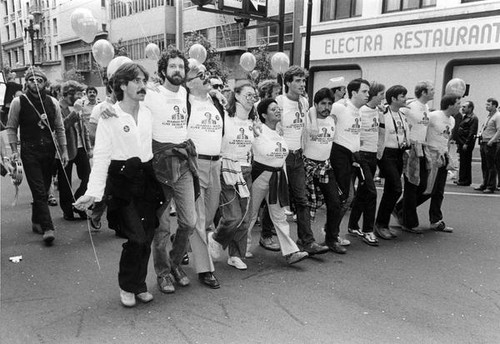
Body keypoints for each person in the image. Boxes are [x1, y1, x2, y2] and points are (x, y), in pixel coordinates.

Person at [74, 62, 160, 307]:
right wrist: (93, 193)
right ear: (123, 85)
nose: (143, 86)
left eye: (144, 80)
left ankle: (139, 284)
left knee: (148, 234)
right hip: (122, 181)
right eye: (137, 81)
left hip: (147, 177)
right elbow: (101, 157)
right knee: (136, 237)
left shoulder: (147, 111)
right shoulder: (110, 116)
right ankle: (126, 285)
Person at [146, 48, 198, 293]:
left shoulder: (185, 92)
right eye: (173, 66)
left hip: (184, 161)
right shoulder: (151, 93)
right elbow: (125, 103)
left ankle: (175, 263)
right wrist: (108, 108)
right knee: (162, 227)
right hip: (160, 165)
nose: (177, 70)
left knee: (189, 221)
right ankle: (163, 273)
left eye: (181, 66)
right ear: (163, 70)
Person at [5, 67, 68, 244]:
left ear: (44, 83)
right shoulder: (19, 102)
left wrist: (63, 150)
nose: (36, 83)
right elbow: (11, 128)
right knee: (40, 190)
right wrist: (14, 152)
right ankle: (48, 228)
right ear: (27, 82)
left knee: (45, 185)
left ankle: (36, 220)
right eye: (32, 80)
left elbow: (60, 128)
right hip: (29, 151)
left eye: (39, 80)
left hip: (48, 150)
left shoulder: (52, 102)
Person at [246, 98, 309, 264]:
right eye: (273, 109)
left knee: (279, 216)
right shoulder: (257, 130)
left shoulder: (280, 132)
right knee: (250, 214)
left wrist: (285, 181)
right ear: (264, 114)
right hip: (260, 176)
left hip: (277, 178)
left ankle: (291, 252)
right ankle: (241, 248)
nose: (278, 111)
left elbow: (282, 161)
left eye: (278, 108)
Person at [274, 65, 329, 256]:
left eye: (303, 80)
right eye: (297, 80)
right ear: (288, 83)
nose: (301, 84)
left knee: (302, 199)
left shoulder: (304, 102)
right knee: (277, 199)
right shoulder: (279, 101)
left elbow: (309, 119)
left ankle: (307, 241)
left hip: (297, 157)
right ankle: (266, 234)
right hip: (281, 156)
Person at [207, 82, 257, 270]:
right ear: (236, 95)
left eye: (254, 95)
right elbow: (204, 98)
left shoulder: (253, 120)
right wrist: (213, 91)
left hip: (246, 169)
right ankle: (217, 238)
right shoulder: (224, 116)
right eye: (248, 94)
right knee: (233, 216)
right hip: (226, 167)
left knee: (245, 217)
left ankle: (236, 255)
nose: (252, 99)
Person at [186, 61, 224, 288]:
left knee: (209, 215)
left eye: (206, 73)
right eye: (200, 75)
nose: (206, 76)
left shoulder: (215, 100)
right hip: (195, 164)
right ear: (189, 84)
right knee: (200, 218)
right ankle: (205, 269)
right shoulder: (185, 102)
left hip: (215, 164)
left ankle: (180, 240)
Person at [328, 78, 370, 253]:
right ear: (353, 93)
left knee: (348, 197)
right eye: (364, 91)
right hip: (339, 156)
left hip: (354, 157)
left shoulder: (358, 111)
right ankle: (331, 235)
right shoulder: (339, 106)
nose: (368, 95)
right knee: (343, 197)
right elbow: (318, 114)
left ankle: (332, 232)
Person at [303, 88, 345, 253]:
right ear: (316, 104)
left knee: (335, 203)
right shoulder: (307, 120)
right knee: (306, 205)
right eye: (323, 104)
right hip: (307, 166)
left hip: (325, 166)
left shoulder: (332, 121)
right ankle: (306, 239)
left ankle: (332, 239)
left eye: (329, 103)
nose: (326, 107)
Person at [392, 81, 434, 233]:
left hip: (422, 147)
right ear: (423, 92)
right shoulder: (409, 106)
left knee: (423, 186)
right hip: (411, 148)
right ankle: (409, 222)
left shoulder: (426, 107)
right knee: (412, 185)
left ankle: (399, 208)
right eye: (431, 90)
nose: (434, 92)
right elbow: (395, 116)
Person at [347, 82, 385, 246]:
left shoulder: (379, 111)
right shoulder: (360, 111)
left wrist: (379, 151)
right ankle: (368, 230)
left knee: (362, 192)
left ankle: (353, 225)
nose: (383, 97)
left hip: (372, 156)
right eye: (381, 94)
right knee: (371, 192)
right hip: (360, 155)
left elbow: (381, 132)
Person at [421, 94, 461, 232]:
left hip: (442, 157)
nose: (460, 106)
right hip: (430, 156)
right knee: (426, 189)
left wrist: (448, 155)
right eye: (458, 103)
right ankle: (401, 209)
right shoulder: (433, 116)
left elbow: (447, 139)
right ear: (450, 104)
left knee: (439, 191)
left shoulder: (452, 120)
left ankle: (436, 220)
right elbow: (422, 132)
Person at [374, 85, 409, 240]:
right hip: (386, 153)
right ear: (393, 98)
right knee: (395, 188)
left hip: (399, 153)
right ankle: (380, 224)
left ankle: (383, 224)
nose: (405, 99)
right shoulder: (382, 112)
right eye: (402, 96)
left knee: (391, 189)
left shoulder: (402, 114)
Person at [57, 80, 92, 221]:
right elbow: (61, 127)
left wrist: (88, 147)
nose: (80, 97)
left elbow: (83, 129)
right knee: (65, 182)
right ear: (68, 94)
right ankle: (67, 210)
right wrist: (75, 112)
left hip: (80, 146)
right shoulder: (58, 107)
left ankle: (77, 202)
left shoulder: (77, 106)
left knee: (88, 176)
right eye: (77, 94)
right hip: (65, 148)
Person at [475, 98, 500, 194]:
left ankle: (491, 186)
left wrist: (492, 141)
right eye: (486, 104)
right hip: (484, 142)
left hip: (491, 143)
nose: (486, 106)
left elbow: (499, 130)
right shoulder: (489, 116)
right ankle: (484, 183)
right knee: (484, 165)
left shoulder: (497, 116)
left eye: (488, 104)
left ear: (494, 106)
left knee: (491, 165)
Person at [454, 101, 478, 186]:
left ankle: (465, 180)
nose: (462, 108)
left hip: (466, 143)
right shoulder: (465, 117)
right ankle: (462, 178)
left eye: (464, 107)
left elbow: (472, 132)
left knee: (466, 162)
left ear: (470, 108)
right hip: (462, 142)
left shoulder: (473, 118)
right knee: (463, 161)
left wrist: (466, 143)